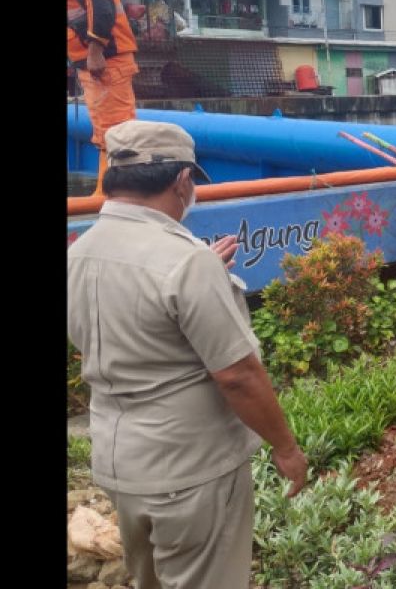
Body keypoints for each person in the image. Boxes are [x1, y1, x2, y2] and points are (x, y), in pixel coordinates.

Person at [67, 120, 307, 588]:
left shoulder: (82, 251)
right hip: (190, 468)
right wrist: (286, 447)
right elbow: (238, 374)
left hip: (122, 463)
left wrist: (204, 274)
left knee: (150, 579)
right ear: (181, 181)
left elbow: (128, 315)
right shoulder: (184, 261)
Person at [68, 0, 141, 195]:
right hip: (100, 63)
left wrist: (95, 52)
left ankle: (116, 194)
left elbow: (101, 11)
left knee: (116, 132)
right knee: (107, 132)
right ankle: (108, 191)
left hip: (107, 62)